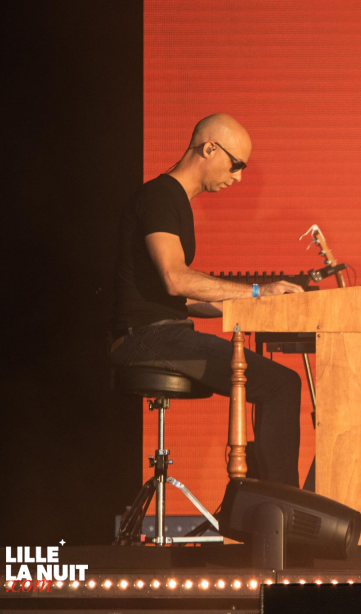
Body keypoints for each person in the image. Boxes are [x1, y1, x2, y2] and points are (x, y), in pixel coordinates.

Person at [111, 113, 304, 488]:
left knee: (279, 382)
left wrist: (259, 305)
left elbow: (181, 298)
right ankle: (283, 511)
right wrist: (255, 292)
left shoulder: (174, 200)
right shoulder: (160, 195)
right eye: (237, 165)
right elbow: (175, 278)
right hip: (145, 338)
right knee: (282, 385)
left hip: (161, 331)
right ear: (209, 148)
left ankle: (274, 504)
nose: (239, 177)